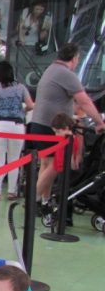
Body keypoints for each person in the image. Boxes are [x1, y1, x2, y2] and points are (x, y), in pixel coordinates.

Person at [27, 43, 104, 213]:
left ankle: (43, 202)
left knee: (46, 164)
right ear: (75, 58)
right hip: (53, 128)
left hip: (39, 124)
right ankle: (33, 202)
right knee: (55, 165)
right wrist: (99, 122)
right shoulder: (66, 74)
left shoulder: (50, 70)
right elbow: (84, 101)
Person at [0, 61, 34, 201]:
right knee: (14, 161)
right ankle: (11, 192)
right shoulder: (21, 88)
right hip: (17, 126)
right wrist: (23, 110)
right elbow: (30, 105)